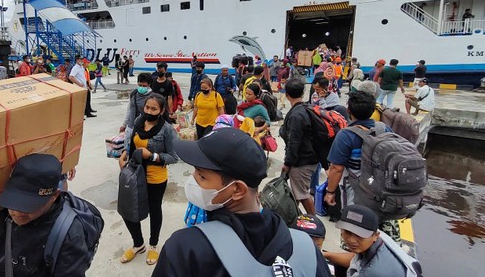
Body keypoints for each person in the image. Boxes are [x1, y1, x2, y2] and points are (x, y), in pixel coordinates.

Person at [153, 128, 331, 277]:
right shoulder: (306, 248)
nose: (192, 179)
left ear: (238, 190)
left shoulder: (185, 249)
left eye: (202, 176)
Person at [0, 153, 96, 276]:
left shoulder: (69, 237)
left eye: (27, 206)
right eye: (13, 201)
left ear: (54, 196)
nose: (15, 212)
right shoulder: (4, 211)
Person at [324, 91, 401, 244]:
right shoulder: (383, 129)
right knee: (382, 229)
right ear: (373, 110)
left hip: (357, 191)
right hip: (383, 190)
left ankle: (354, 259)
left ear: (349, 112)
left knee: (354, 231)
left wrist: (330, 192)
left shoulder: (346, 135)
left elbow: (336, 168)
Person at [118, 94, 179, 265]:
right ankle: (138, 244)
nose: (149, 111)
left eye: (154, 109)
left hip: (155, 178)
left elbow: (174, 157)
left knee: (154, 209)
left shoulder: (167, 129)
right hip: (135, 173)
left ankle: (153, 245)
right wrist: (124, 154)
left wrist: (152, 156)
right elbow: (132, 143)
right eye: (147, 107)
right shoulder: (138, 121)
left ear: (161, 111)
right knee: (128, 208)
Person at [323, 205, 418, 277]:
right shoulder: (379, 240)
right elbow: (354, 259)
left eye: (360, 235)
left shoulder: (372, 271)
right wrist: (325, 255)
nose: (352, 240)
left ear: (375, 236)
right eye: (348, 232)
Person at [279, 78, 318, 215]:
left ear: (287, 94)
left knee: (302, 194)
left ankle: (315, 222)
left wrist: (288, 163)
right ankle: (292, 218)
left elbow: (294, 142)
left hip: (301, 161)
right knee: (297, 193)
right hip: (310, 158)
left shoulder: (296, 114)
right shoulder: (307, 108)